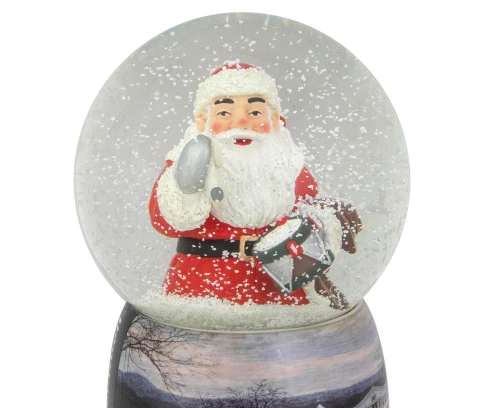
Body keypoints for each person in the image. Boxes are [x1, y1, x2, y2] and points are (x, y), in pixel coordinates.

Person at [149, 62, 361, 307]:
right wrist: (187, 187)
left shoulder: (289, 168)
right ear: (202, 120)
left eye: (255, 113)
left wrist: (322, 224)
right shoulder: (185, 165)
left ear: (274, 119)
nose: (241, 122)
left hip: (277, 292)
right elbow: (165, 223)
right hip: (201, 288)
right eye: (225, 113)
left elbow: (305, 216)